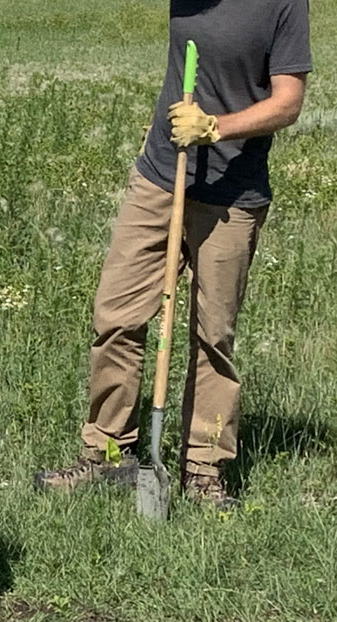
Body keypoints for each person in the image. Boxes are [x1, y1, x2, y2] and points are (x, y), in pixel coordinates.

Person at [34, 0, 311, 509]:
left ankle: (203, 471)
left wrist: (214, 127)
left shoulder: (283, 4)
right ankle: (108, 456)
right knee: (116, 315)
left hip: (233, 193)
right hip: (160, 176)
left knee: (213, 337)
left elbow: (288, 102)